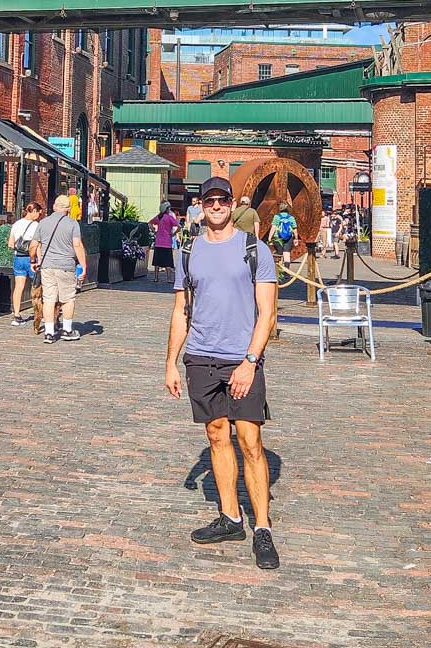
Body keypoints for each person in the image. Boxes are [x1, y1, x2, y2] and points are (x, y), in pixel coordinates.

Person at [165, 175, 280, 571]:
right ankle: (230, 517)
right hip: (200, 355)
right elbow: (181, 311)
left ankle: (262, 527)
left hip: (240, 356)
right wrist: (170, 362)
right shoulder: (188, 252)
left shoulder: (254, 249)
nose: (216, 206)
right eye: (209, 200)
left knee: (249, 439)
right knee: (217, 435)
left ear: (232, 204)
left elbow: (268, 314)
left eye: (222, 200)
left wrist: (250, 361)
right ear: (200, 205)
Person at [30, 194, 87, 344]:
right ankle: (67, 330)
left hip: (47, 266)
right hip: (66, 266)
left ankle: (49, 332)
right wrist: (83, 265)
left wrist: (33, 260)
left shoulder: (43, 223)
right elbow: (77, 245)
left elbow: (34, 245)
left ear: (54, 207)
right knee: (67, 299)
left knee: (49, 299)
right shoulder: (73, 224)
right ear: (68, 209)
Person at [7, 201, 43, 327]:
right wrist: (39, 260)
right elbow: (36, 246)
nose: (39, 216)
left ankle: (16, 315)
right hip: (30, 259)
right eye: (38, 213)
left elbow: (10, 244)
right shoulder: (35, 225)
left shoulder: (16, 224)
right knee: (38, 287)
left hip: (18, 258)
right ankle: (40, 314)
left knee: (18, 287)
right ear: (33, 212)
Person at [149, 200, 179, 284]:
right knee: (168, 262)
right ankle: (169, 278)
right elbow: (179, 226)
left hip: (158, 242)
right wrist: (174, 233)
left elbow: (150, 223)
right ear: (167, 209)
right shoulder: (169, 218)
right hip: (167, 242)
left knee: (157, 262)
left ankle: (156, 278)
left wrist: (154, 231)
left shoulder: (159, 217)